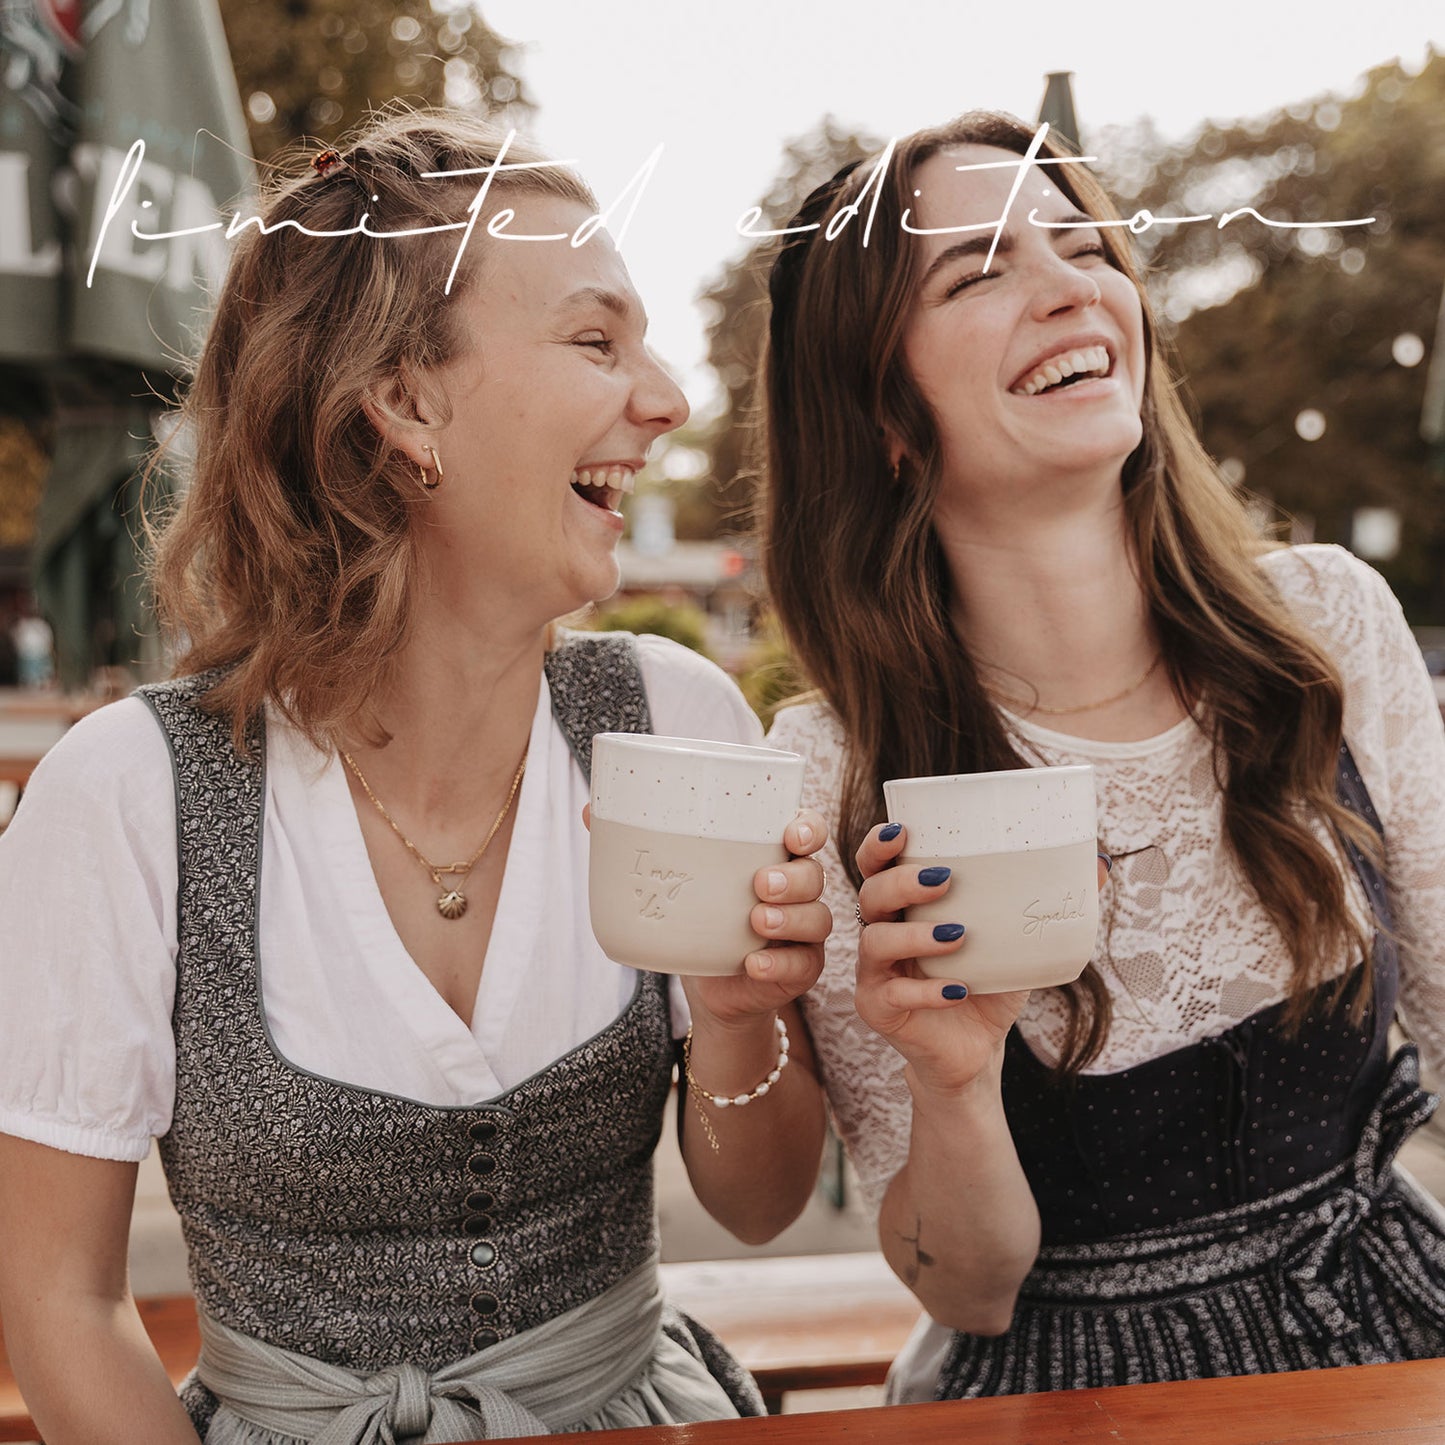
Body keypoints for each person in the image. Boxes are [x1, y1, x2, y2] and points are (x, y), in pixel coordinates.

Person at [0, 110, 831, 1444]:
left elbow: (760, 1203)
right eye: (596, 340)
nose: (669, 397)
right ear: (403, 399)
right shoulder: (128, 793)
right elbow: (59, 1304)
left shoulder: (674, 720)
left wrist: (740, 1018)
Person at [761, 110, 1445, 1400]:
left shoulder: (1328, 627)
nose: (1074, 287)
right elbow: (967, 1290)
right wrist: (953, 1080)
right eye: (979, 271)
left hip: (1392, 1338)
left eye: (1084, 247)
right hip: (1067, 1397)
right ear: (881, 409)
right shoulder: (833, 774)